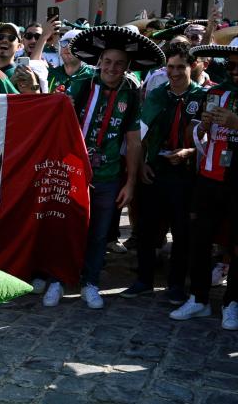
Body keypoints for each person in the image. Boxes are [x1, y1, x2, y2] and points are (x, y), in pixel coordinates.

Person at [42, 26, 164, 309]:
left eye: (119, 63)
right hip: (74, 172)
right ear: (100, 62)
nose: (112, 68)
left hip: (108, 175)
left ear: (127, 66)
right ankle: (58, 280)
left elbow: (133, 141)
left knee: (98, 233)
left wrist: (131, 182)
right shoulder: (83, 84)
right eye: (107, 62)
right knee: (67, 227)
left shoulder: (132, 92)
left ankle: (90, 282)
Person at [170, 29, 238, 330]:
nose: (235, 71)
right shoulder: (215, 93)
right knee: (199, 239)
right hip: (209, 178)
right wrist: (201, 128)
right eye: (230, 66)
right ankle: (199, 299)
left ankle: (232, 303)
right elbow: (197, 138)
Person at [122, 43, 205, 303]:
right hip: (155, 169)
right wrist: (144, 162)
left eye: (181, 66)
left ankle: (176, 285)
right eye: (170, 67)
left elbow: (211, 140)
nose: (175, 72)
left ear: (192, 66)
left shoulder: (203, 97)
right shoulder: (157, 94)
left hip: (186, 173)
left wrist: (189, 153)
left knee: (182, 232)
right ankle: (144, 280)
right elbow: (142, 134)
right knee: (146, 228)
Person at [48, 29, 95, 94]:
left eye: (73, 43)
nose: (67, 47)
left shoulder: (93, 77)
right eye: (64, 42)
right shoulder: (50, 74)